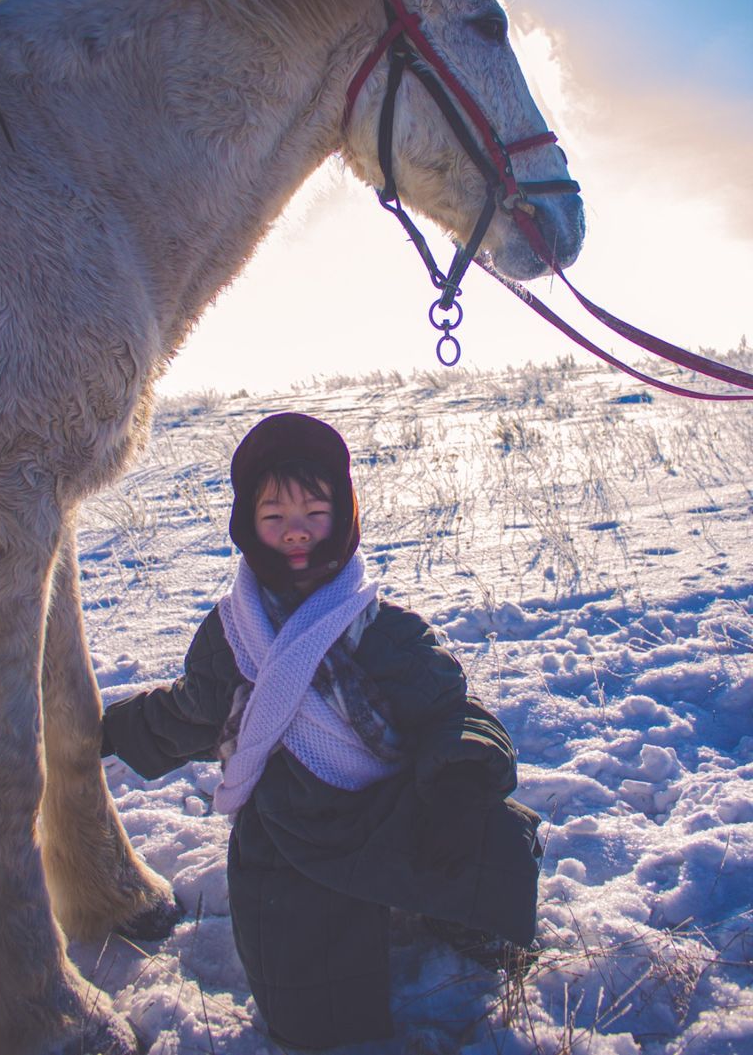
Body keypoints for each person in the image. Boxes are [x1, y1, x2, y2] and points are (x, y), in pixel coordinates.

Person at [101, 412, 541, 1050]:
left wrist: (461, 786)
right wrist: (106, 731)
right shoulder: (233, 635)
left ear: (346, 515)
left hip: (387, 807)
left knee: (489, 843)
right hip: (289, 838)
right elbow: (188, 712)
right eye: (273, 517)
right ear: (247, 527)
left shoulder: (383, 629)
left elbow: (453, 714)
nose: (296, 534)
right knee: (318, 1017)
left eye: (315, 512)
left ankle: (463, 920)